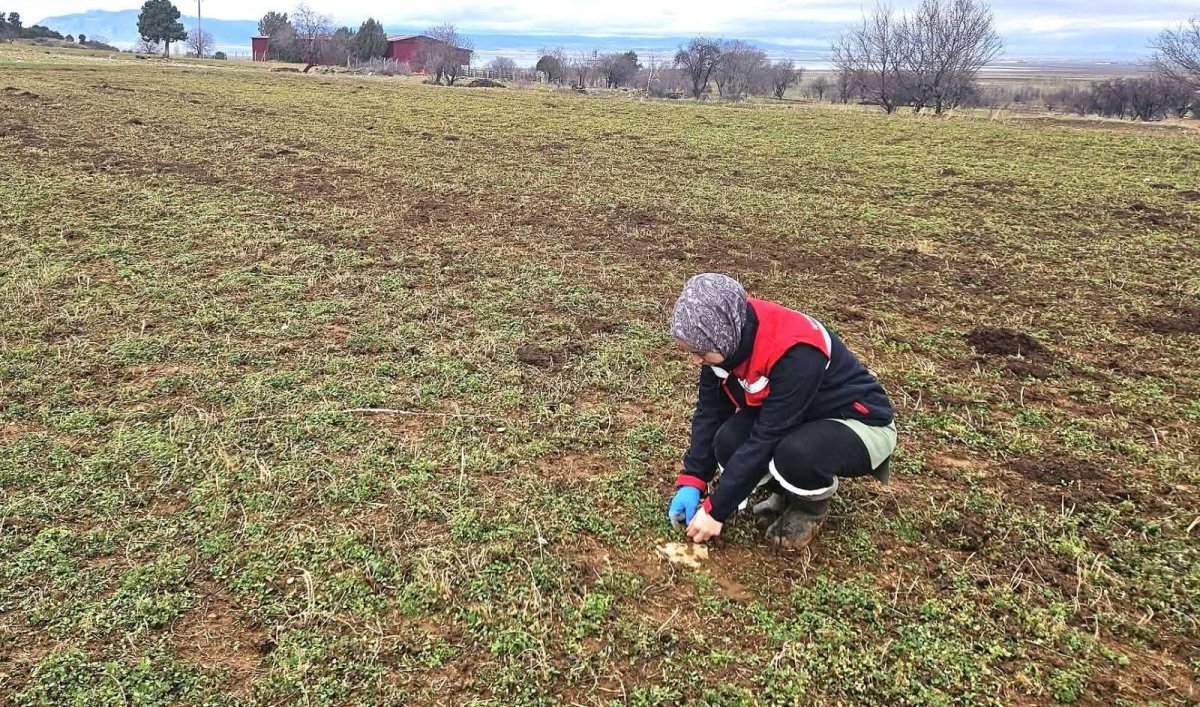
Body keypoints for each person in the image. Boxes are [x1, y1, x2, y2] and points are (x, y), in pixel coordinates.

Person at [666, 273, 897, 549]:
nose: (695, 360)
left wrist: (716, 510)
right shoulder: (724, 339)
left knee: (796, 453)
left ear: (722, 335)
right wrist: (694, 479)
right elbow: (711, 413)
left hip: (857, 421)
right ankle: (786, 494)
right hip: (799, 415)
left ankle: (810, 509)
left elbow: (768, 436)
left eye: (700, 352)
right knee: (728, 440)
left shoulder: (796, 351)